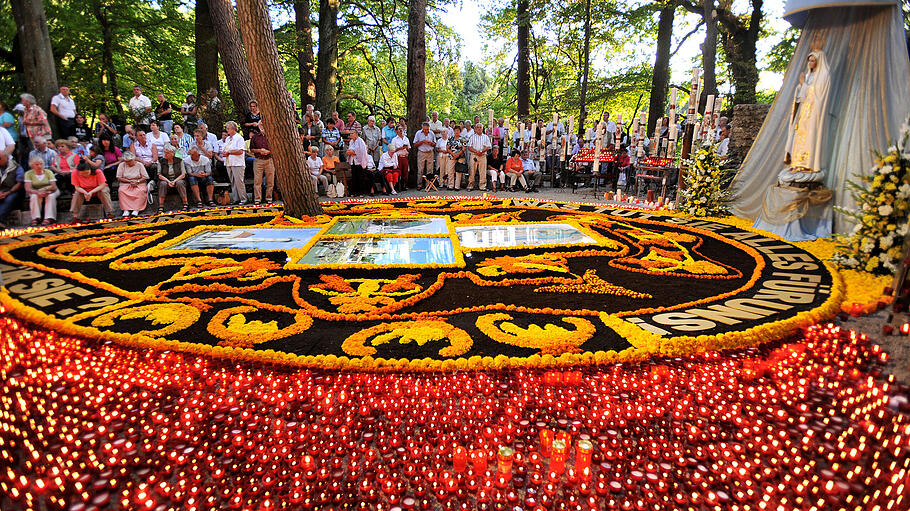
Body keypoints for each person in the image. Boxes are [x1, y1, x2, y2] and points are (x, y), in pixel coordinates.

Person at [24, 156, 59, 225]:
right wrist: (38, 192)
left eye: (41, 164)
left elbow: (54, 187)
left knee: (51, 196)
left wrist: (45, 190)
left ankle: (49, 218)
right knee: (34, 197)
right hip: (36, 191)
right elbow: (28, 189)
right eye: (37, 164)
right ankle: (35, 218)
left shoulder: (48, 172)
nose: (39, 166)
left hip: (51, 190)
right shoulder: (28, 174)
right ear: (32, 165)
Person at [347, 129, 380, 196]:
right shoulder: (351, 141)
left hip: (360, 162)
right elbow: (350, 149)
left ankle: (361, 192)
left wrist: (353, 152)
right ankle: (354, 192)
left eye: (352, 133)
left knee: (360, 177)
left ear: (356, 134)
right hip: (353, 161)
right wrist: (349, 152)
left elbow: (362, 152)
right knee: (354, 177)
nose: (350, 135)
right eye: (350, 134)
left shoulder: (360, 141)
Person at [156, 145, 188, 212]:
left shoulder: (179, 160)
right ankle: (161, 205)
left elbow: (183, 174)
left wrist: (174, 181)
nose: (165, 154)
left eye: (167, 153)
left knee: (180, 183)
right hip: (165, 179)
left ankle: (185, 203)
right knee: (163, 184)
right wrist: (168, 181)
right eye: (164, 152)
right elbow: (159, 175)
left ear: (172, 153)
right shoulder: (161, 161)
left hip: (177, 178)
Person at [116, 151, 149, 217]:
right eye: (126, 161)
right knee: (121, 191)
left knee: (140, 191)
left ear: (133, 159)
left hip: (139, 183)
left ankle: (136, 209)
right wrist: (129, 181)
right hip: (126, 183)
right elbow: (119, 177)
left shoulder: (139, 165)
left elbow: (146, 177)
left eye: (130, 161)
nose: (128, 163)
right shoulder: (122, 165)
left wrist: (137, 181)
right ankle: (126, 210)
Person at [221, 121, 247, 204]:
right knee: (233, 182)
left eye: (228, 128)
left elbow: (240, 151)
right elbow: (226, 149)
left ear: (233, 129)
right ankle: (236, 199)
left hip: (237, 163)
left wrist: (229, 152)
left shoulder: (239, 138)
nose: (227, 130)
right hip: (229, 162)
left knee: (239, 182)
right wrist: (225, 153)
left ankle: (243, 199)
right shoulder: (228, 139)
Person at [249, 126, 274, 205]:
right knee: (257, 181)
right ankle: (257, 199)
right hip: (258, 160)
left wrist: (269, 151)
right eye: (261, 125)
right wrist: (260, 150)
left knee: (270, 181)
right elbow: (252, 149)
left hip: (269, 160)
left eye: (264, 124)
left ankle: (269, 198)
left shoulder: (272, 135)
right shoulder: (255, 137)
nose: (263, 126)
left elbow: (276, 147)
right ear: (259, 126)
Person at [0, 152, 24, 227]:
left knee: (9, 199)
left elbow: (19, 183)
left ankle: (1, 220)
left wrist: (8, 193)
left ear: (7, 159)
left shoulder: (16, 167)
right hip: (1, 191)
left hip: (13, 191)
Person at [466, 123, 491, 190]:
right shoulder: (472, 137)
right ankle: (470, 186)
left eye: (480, 127)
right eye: (478, 127)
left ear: (482, 129)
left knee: (482, 171)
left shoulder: (486, 137)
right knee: (472, 171)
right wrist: (476, 152)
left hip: (482, 155)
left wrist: (481, 152)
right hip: (474, 155)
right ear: (475, 129)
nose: (479, 128)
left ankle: (482, 186)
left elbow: (488, 146)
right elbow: (469, 147)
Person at [412, 122, 436, 189]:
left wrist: (431, 143)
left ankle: (428, 184)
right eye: (425, 129)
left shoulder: (431, 133)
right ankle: (419, 184)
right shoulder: (418, 133)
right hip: (421, 152)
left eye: (427, 129)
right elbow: (415, 144)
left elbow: (435, 144)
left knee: (430, 169)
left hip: (430, 152)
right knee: (420, 169)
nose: (426, 131)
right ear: (422, 128)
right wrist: (422, 141)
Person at [390, 125, 410, 190]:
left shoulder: (406, 138)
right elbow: (392, 150)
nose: (401, 130)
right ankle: (398, 186)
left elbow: (409, 149)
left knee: (405, 171)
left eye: (401, 129)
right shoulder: (394, 139)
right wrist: (400, 148)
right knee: (399, 171)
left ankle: (405, 185)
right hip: (398, 157)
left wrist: (406, 148)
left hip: (405, 157)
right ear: (396, 131)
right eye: (399, 129)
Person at [446, 125, 466, 190]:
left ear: (460, 131)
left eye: (458, 130)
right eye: (455, 130)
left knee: (458, 171)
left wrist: (457, 154)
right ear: (454, 131)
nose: (456, 132)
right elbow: (447, 148)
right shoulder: (450, 138)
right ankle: (450, 185)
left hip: (460, 157)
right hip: (451, 156)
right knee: (450, 171)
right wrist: (453, 154)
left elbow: (464, 148)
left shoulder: (463, 139)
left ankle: (457, 186)